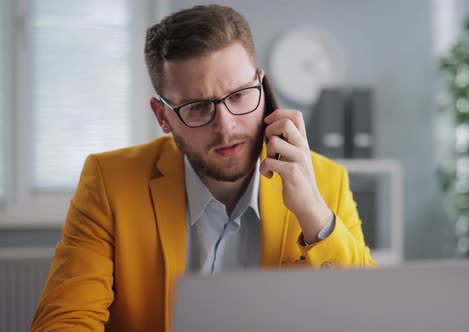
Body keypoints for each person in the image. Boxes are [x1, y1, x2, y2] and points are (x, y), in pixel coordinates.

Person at [31, 4, 375, 332]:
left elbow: (368, 312)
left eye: (240, 95)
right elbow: (65, 321)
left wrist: (313, 212)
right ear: (163, 116)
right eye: (198, 107)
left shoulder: (325, 181)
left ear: (262, 87)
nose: (226, 127)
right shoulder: (109, 183)